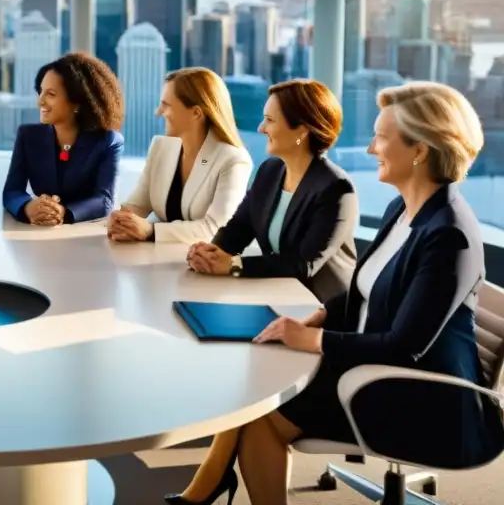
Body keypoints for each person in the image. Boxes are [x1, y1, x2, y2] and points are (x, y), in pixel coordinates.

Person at [167, 82, 504, 505]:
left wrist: (315, 340)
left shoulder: (449, 234)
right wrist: (325, 316)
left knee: (262, 413)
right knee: (256, 391)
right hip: (374, 367)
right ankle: (205, 489)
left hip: (427, 401)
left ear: (419, 150)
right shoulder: (404, 208)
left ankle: (204, 490)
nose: (370, 149)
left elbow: (406, 346)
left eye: (382, 137)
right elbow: (367, 290)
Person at [186, 79, 357, 302]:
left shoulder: (336, 189)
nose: (261, 128)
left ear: (302, 131)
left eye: (269, 120)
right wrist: (208, 254)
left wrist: (233, 265)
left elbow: (303, 264)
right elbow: (239, 228)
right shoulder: (270, 171)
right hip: (276, 294)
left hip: (320, 308)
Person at [108, 67, 251, 243]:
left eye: (166, 105)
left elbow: (215, 228)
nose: (158, 112)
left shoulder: (233, 160)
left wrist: (151, 230)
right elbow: (137, 205)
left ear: (196, 113)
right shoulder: (161, 147)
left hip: (202, 264)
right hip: (155, 259)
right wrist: (119, 219)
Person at [3, 52, 125, 225]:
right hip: (37, 234)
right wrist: (28, 207)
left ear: (77, 103)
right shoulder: (28, 136)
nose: (40, 102)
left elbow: (104, 200)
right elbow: (12, 191)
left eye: (51, 94)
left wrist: (63, 213)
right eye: (41, 92)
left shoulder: (108, 141)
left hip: (86, 236)